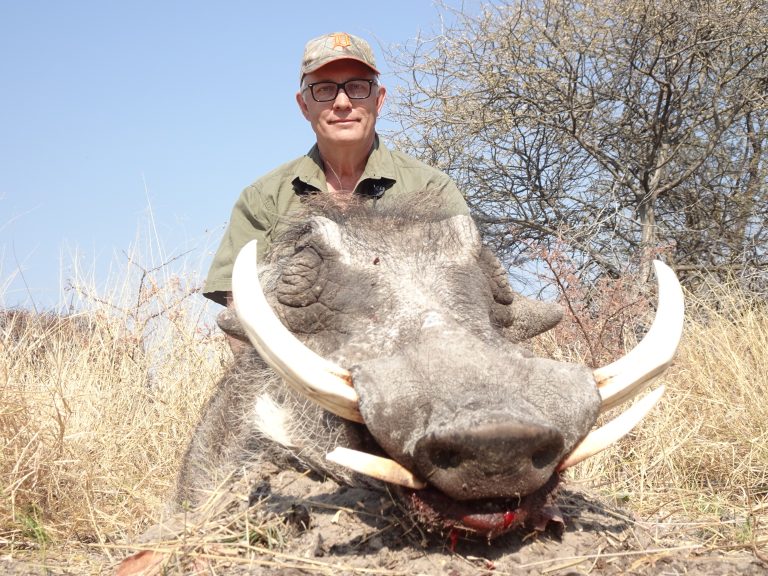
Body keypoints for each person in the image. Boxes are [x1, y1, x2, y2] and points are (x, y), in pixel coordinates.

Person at [203, 32, 469, 351]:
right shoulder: (262, 198)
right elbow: (241, 316)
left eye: (357, 86)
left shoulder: (432, 188)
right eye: (325, 89)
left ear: (379, 99)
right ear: (304, 105)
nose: (342, 102)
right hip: (301, 382)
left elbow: (466, 295)